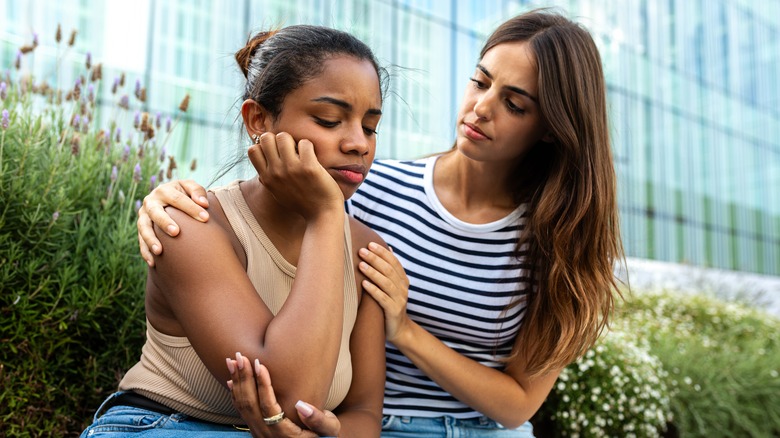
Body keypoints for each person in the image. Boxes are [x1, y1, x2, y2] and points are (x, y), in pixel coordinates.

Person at [137, 8, 624, 437]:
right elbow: (271, 207)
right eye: (480, 81)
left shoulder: (562, 243)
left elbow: (518, 402)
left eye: (515, 104)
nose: (480, 107)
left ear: (553, 128)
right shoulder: (360, 188)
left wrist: (405, 328)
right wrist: (163, 197)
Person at [82, 24, 390, 437]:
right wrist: (326, 214)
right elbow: (287, 396)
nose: (358, 143)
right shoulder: (190, 223)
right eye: (329, 120)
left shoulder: (365, 250)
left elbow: (365, 416)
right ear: (258, 119)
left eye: (370, 127)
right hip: (165, 425)